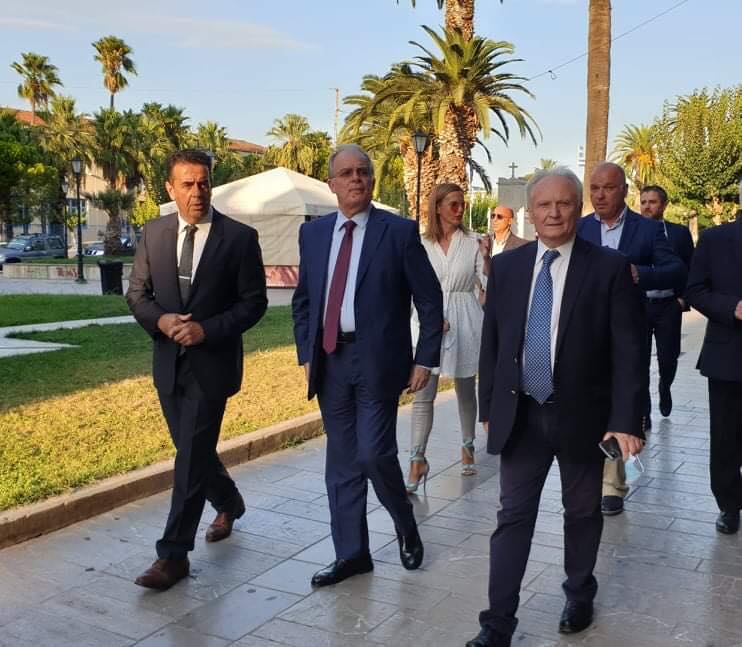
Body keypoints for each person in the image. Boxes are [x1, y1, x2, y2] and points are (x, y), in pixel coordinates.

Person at [467, 168, 646, 647]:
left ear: (577, 207)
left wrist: (625, 420)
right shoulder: (507, 268)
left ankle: (579, 593)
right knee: (512, 516)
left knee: (582, 512)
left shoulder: (608, 267)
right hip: (521, 414)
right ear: (531, 211)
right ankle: (497, 623)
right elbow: (494, 343)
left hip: (582, 416)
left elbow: (629, 351)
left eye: (564, 203)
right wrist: (488, 407)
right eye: (544, 205)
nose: (553, 213)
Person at [291, 144, 443, 587]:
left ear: (372, 180)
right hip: (330, 360)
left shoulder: (398, 232)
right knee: (342, 462)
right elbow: (304, 302)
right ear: (331, 184)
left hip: (378, 360)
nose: (355, 178)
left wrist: (425, 358)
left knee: (375, 454)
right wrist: (307, 354)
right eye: (346, 173)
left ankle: (404, 522)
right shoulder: (313, 234)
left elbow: (430, 301)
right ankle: (352, 554)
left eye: (363, 171)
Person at [126, 149, 268, 590]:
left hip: (212, 365)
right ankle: (229, 501)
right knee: (193, 451)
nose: (197, 192)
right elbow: (137, 294)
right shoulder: (154, 233)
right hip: (168, 365)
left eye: (204, 182)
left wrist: (207, 330)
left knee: (189, 457)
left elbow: (254, 303)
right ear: (170, 189)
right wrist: (162, 321)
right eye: (187, 184)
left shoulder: (239, 238)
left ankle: (173, 556)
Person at [577, 162, 686, 516]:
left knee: (620, 400)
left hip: (628, 331)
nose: (600, 195)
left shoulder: (648, 230)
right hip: (585, 332)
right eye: (594, 188)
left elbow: (676, 269)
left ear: (624, 191)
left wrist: (642, 274)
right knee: (588, 402)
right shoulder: (580, 228)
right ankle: (589, 475)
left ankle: (613, 483)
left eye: (608, 188)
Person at [407, 183, 485, 493]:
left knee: (465, 386)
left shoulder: (473, 241)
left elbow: (487, 282)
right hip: (428, 320)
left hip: (465, 318)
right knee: (423, 391)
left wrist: (487, 259)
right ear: (437, 207)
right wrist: (428, 317)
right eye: (453, 204)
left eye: (462, 204)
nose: (459, 209)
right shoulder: (420, 244)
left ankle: (468, 446)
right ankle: (417, 459)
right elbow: (409, 285)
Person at [685, 216, 742, 535]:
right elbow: (694, 290)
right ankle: (729, 504)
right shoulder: (716, 239)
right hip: (729, 355)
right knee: (726, 437)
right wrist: (733, 307)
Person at [640, 185, 694, 418]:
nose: (646, 207)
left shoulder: (679, 234)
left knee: (668, 357)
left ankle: (665, 386)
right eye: (643, 202)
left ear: (663, 205)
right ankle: (644, 407)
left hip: (669, 305)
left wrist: (683, 299)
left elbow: (691, 267)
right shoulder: (633, 232)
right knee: (639, 358)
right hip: (639, 306)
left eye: (652, 202)